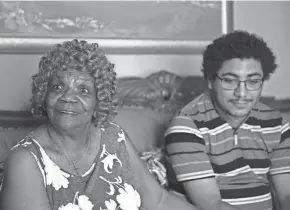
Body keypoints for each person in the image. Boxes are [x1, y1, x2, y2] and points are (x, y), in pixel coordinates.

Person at [0, 39, 197, 210]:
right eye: (58, 87)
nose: (68, 97)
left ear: (98, 102)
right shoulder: (25, 161)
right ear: (44, 95)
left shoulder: (114, 137)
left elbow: (160, 201)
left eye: (83, 90)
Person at [165, 30, 290, 210]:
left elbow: (285, 195)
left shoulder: (276, 124)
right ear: (210, 80)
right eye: (230, 81)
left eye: (253, 82)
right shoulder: (186, 127)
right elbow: (211, 206)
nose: (242, 93)